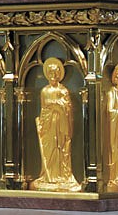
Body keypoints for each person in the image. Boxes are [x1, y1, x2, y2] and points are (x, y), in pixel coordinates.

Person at [31, 57, 80, 192]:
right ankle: (49, 176)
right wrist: (42, 123)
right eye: (50, 73)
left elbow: (68, 108)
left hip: (60, 124)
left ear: (59, 74)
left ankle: (61, 177)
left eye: (55, 73)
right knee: (49, 149)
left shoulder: (63, 90)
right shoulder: (45, 91)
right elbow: (44, 109)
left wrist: (58, 106)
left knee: (61, 148)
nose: (53, 76)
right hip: (48, 125)